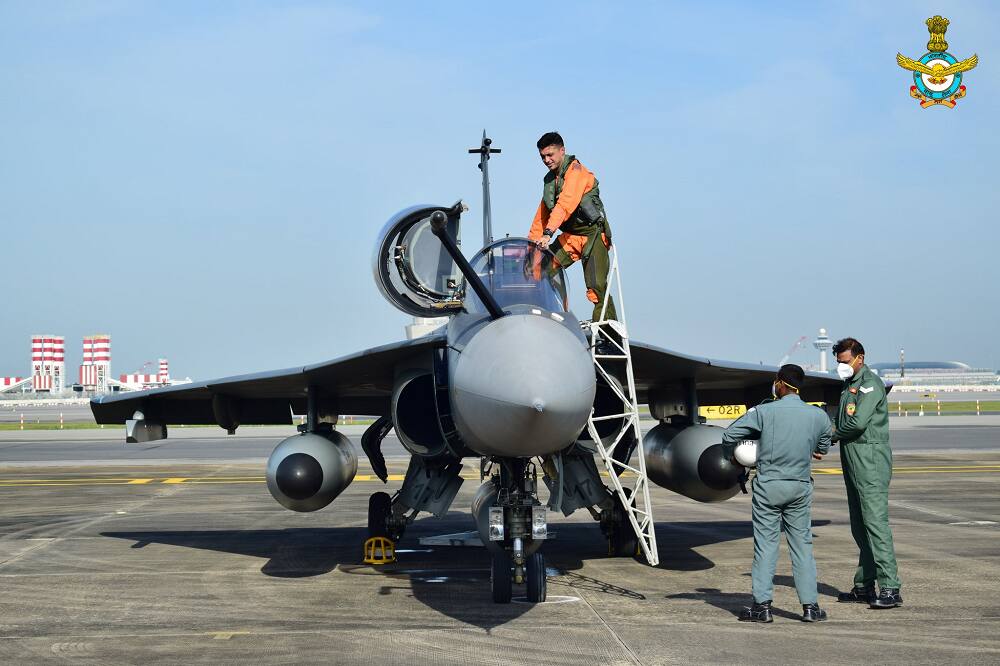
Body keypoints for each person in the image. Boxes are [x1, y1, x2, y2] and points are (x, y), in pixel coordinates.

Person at [721, 364, 832, 623]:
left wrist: (736, 460)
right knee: (802, 546)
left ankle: (763, 606)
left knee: (766, 546)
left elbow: (729, 435)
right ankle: (810, 607)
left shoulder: (763, 411)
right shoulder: (817, 416)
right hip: (799, 486)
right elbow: (823, 446)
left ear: (780, 383)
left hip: (769, 486)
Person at [831, 337, 902, 609]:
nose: (841, 366)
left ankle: (890, 587)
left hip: (869, 459)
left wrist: (831, 435)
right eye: (838, 362)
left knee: (875, 524)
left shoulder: (870, 385)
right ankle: (864, 585)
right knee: (860, 526)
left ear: (860, 357)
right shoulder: (849, 386)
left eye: (845, 361)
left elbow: (857, 423)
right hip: (853, 457)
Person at [528, 132, 616, 322]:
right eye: (543, 156)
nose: (546, 160)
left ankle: (608, 332)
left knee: (596, 286)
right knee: (540, 271)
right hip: (572, 236)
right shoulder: (550, 181)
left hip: (593, 235)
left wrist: (548, 234)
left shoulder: (576, 172)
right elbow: (540, 218)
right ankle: (550, 318)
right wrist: (530, 252)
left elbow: (565, 204)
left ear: (562, 151)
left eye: (550, 155)